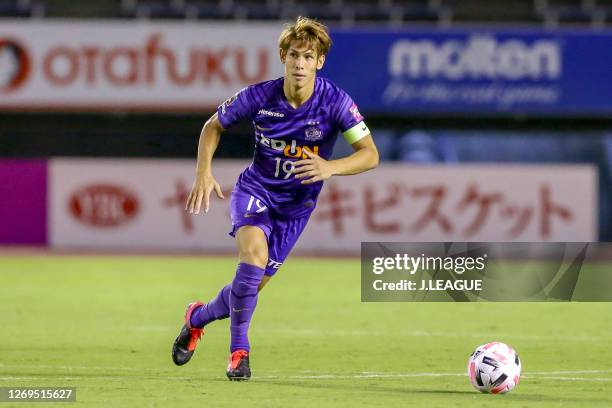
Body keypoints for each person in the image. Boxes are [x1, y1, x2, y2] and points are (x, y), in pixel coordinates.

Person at [172, 16, 379, 381]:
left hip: (296, 210)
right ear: (283, 56)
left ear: (320, 62)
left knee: (247, 287)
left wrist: (331, 168)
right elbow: (212, 126)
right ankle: (239, 353)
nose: (300, 64)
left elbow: (369, 154)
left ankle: (196, 317)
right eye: (294, 55)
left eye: (308, 57)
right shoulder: (260, 96)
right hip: (256, 191)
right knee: (252, 257)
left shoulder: (336, 102)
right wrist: (203, 172)